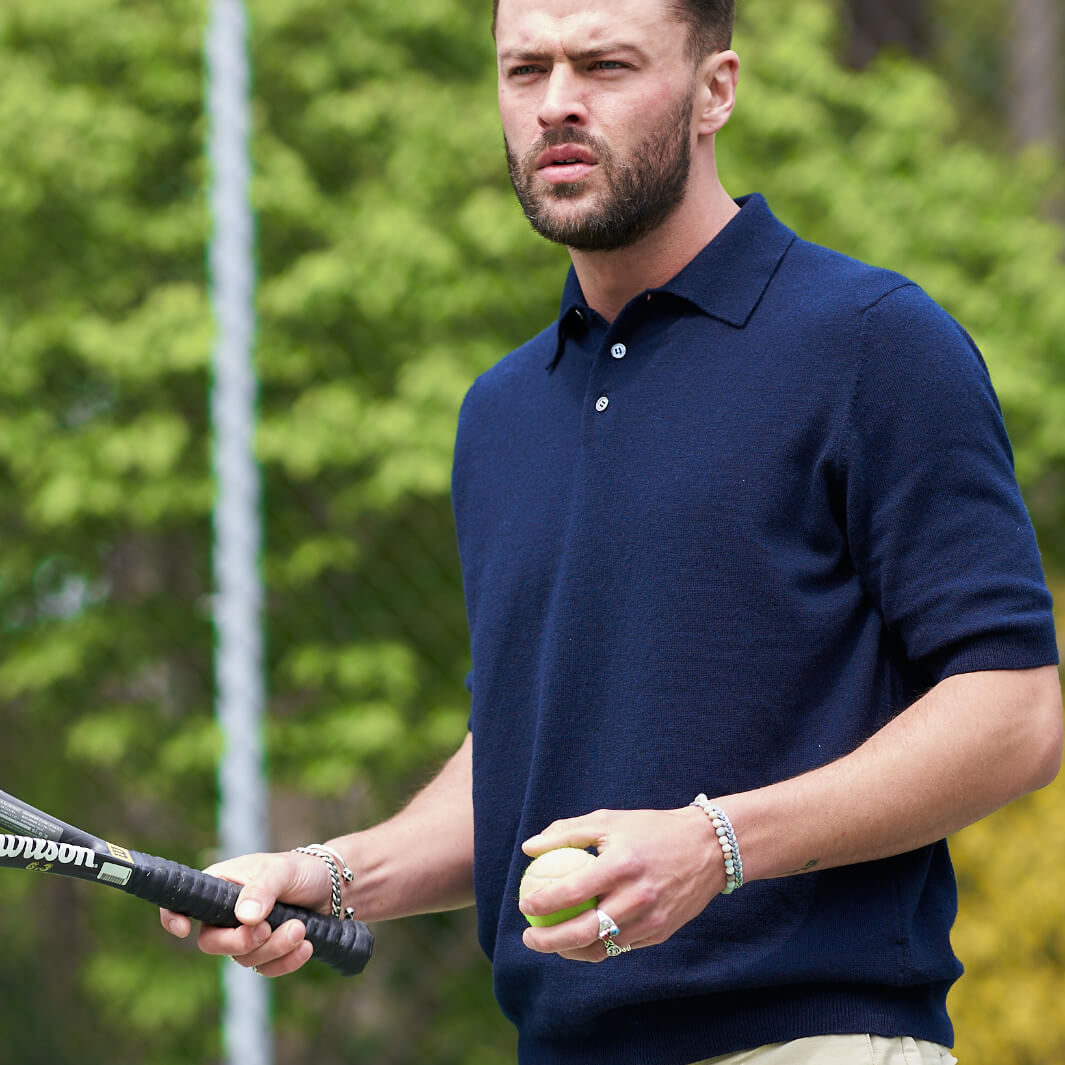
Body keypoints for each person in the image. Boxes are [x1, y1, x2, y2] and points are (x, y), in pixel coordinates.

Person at [162, 0, 1064, 1061]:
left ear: (714, 91)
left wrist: (714, 846)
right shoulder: (498, 417)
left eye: (604, 65)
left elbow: (1015, 714)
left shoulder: (872, 345)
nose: (555, 106)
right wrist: (328, 874)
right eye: (523, 70)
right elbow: (518, 762)